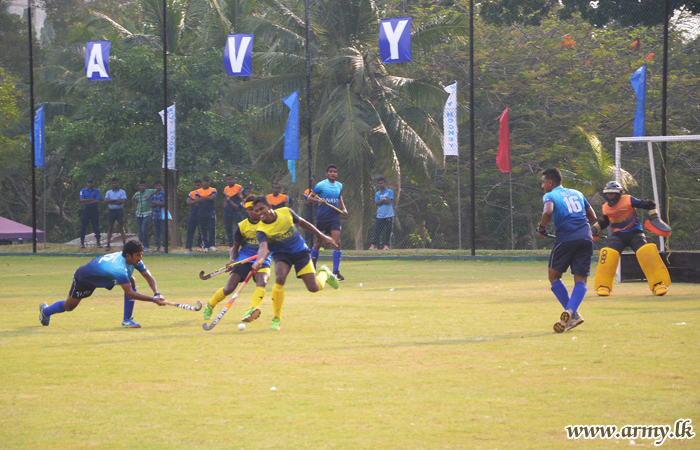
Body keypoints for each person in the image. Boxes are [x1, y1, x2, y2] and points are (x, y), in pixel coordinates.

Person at [251, 196, 339, 330]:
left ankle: (324, 273)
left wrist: (323, 236)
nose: (259, 212)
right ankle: (276, 319)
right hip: (281, 254)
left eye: (261, 209)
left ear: (269, 207)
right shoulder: (261, 229)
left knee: (313, 288)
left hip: (300, 252)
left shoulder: (286, 211)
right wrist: (259, 261)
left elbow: (305, 224)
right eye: (256, 211)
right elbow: (263, 249)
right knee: (280, 278)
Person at [39, 240, 167, 328]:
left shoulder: (135, 262)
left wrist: (157, 293)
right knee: (69, 306)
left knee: (131, 280)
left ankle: (127, 320)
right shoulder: (118, 268)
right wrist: (153, 300)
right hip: (85, 278)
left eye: (141, 254)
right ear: (128, 256)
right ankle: (45, 311)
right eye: (138, 255)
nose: (141, 258)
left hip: (106, 277)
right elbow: (130, 294)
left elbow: (149, 278)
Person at [536, 168, 597, 333]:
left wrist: (542, 228)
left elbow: (548, 211)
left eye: (543, 182)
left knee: (554, 276)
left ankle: (574, 314)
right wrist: (583, 230)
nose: (542, 186)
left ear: (550, 182)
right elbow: (593, 217)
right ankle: (571, 313)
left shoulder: (550, 195)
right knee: (581, 280)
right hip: (586, 237)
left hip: (566, 239)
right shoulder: (577, 193)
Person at [591, 181, 672, 297]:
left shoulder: (629, 200)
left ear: (619, 194)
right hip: (617, 236)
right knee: (609, 254)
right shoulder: (605, 208)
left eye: (612, 194)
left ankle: (658, 284)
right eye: (608, 194)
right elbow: (603, 222)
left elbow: (649, 204)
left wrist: (655, 218)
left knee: (646, 252)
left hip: (635, 234)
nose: (609, 196)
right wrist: (592, 230)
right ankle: (603, 286)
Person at [203, 196, 273, 323]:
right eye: (249, 209)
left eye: (255, 209)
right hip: (244, 258)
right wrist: (232, 261)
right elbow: (235, 248)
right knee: (229, 288)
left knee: (262, 281)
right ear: (246, 210)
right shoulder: (242, 226)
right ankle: (210, 304)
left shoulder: (268, 223)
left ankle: (252, 310)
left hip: (263, 258)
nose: (253, 212)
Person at [310, 165, 348, 280]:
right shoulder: (321, 185)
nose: (333, 173)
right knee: (318, 242)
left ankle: (336, 272)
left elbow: (339, 198)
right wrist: (318, 201)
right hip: (322, 218)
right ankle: (312, 269)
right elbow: (309, 198)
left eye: (335, 172)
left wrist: (344, 209)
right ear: (326, 174)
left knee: (337, 242)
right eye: (331, 172)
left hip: (334, 217)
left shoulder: (339, 185)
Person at [369, 177, 394, 250]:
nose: (380, 184)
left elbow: (389, 201)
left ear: (385, 183)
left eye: (382, 183)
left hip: (389, 215)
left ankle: (386, 246)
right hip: (380, 215)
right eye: (379, 183)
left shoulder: (389, 191)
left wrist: (381, 201)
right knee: (377, 231)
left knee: (388, 231)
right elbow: (376, 203)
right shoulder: (377, 193)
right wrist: (383, 200)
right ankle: (374, 245)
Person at [104, 177, 127, 252]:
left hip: (119, 211)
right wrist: (117, 201)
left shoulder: (122, 192)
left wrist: (111, 201)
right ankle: (108, 244)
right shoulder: (109, 192)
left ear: (118, 183)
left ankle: (124, 244)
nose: (115, 184)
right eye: (113, 183)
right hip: (112, 211)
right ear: (111, 184)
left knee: (121, 227)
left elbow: (123, 201)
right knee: (110, 228)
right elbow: (105, 200)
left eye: (116, 183)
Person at [132, 181, 155, 252]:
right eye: (141, 186)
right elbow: (133, 199)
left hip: (146, 213)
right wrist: (135, 205)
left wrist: (150, 195)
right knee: (140, 230)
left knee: (144, 229)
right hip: (138, 213)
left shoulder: (148, 191)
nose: (142, 187)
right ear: (139, 186)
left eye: (144, 186)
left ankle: (146, 245)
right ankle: (140, 246)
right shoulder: (137, 193)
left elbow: (157, 190)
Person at [196, 175, 218, 252]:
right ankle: (205, 246)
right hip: (201, 212)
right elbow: (197, 200)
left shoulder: (213, 189)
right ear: (203, 182)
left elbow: (213, 197)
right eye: (205, 181)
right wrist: (207, 198)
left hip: (210, 211)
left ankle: (212, 245)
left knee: (212, 228)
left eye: (208, 181)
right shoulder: (198, 191)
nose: (206, 182)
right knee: (203, 229)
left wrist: (203, 198)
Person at [223, 174, 244, 250]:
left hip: (236, 209)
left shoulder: (239, 187)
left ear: (233, 179)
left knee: (239, 226)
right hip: (228, 210)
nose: (228, 181)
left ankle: (241, 244)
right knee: (228, 227)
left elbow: (242, 196)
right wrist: (224, 202)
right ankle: (231, 245)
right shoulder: (226, 188)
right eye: (227, 179)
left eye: (230, 179)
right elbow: (225, 197)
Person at [79, 177, 101, 248]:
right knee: (83, 226)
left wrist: (87, 201)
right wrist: (92, 200)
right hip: (86, 209)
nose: (90, 184)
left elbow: (97, 200)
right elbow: (81, 200)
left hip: (94, 209)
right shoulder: (83, 191)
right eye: (89, 182)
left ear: (93, 183)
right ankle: (82, 243)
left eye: (91, 182)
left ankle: (98, 242)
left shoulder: (96, 191)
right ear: (87, 183)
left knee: (96, 226)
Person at [185, 179, 204, 254]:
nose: (197, 186)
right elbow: (188, 202)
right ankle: (188, 247)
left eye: (199, 185)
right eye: (196, 185)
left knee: (201, 231)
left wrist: (194, 202)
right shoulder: (191, 193)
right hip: (193, 214)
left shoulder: (203, 192)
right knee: (190, 230)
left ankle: (199, 245)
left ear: (201, 185)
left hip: (201, 213)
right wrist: (197, 201)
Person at [149, 181, 166, 253]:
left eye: (159, 185)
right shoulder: (153, 194)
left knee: (164, 231)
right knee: (157, 231)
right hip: (155, 215)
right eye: (156, 185)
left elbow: (164, 203)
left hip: (162, 214)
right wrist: (157, 204)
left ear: (162, 186)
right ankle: (157, 246)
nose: (158, 187)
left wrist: (155, 203)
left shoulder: (164, 193)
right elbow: (150, 204)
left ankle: (164, 246)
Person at [302, 176, 316, 247]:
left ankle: (318, 245)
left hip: (316, 211)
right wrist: (313, 201)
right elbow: (305, 202)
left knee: (317, 228)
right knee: (307, 228)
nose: (312, 182)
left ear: (315, 181)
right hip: (309, 211)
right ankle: (307, 244)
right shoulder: (307, 191)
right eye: (310, 181)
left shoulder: (318, 190)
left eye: (313, 181)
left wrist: (311, 201)